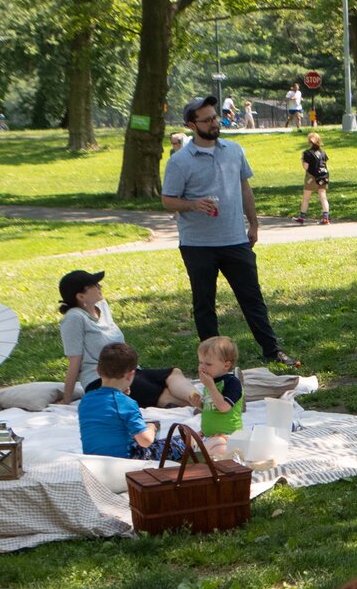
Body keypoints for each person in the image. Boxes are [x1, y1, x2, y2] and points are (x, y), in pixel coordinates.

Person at [162, 95, 298, 371]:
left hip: (235, 239)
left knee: (252, 298)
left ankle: (272, 350)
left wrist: (254, 223)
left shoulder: (234, 150)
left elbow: (245, 189)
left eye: (215, 117)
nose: (214, 123)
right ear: (191, 124)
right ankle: (211, 359)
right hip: (197, 244)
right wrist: (192, 204)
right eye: (207, 119)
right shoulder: (179, 162)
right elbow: (168, 200)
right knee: (204, 303)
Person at [56, 269, 198, 408]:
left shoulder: (101, 305)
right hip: (104, 381)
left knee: (174, 372)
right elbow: (74, 361)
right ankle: (206, 407)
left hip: (130, 371)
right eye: (94, 285)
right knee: (163, 392)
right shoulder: (74, 318)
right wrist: (66, 399)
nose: (100, 287)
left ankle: (203, 400)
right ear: (80, 296)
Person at [79, 343, 162, 457]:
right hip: (124, 460)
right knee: (172, 444)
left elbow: (107, 422)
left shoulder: (86, 400)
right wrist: (151, 427)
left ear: (97, 370)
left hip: (93, 460)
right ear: (130, 375)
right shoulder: (125, 403)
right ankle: (193, 441)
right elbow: (145, 441)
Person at [196, 335, 244, 455]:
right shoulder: (211, 382)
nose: (202, 367)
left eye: (208, 364)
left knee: (214, 450)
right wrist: (199, 405)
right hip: (208, 434)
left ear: (226, 365)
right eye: (200, 362)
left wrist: (211, 387)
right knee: (187, 443)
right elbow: (212, 407)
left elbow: (223, 407)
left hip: (227, 434)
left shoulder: (232, 382)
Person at [297, 132, 331, 225]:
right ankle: (325, 217)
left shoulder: (307, 153)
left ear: (309, 141)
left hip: (312, 177)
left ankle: (301, 217)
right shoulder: (323, 152)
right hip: (323, 176)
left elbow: (306, 167)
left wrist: (302, 161)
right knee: (323, 197)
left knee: (306, 198)